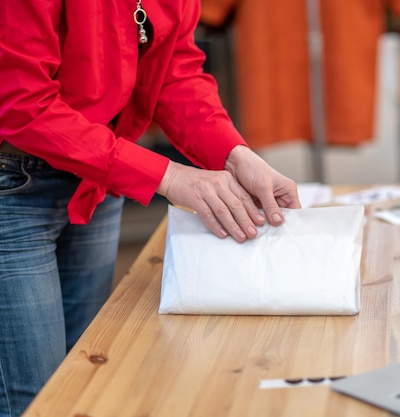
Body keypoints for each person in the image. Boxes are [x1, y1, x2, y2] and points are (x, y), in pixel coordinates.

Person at [0, 0, 301, 415]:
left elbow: (175, 73)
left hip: (99, 176)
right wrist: (168, 176)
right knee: (32, 399)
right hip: (14, 185)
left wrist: (233, 153)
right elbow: (20, 101)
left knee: (80, 378)